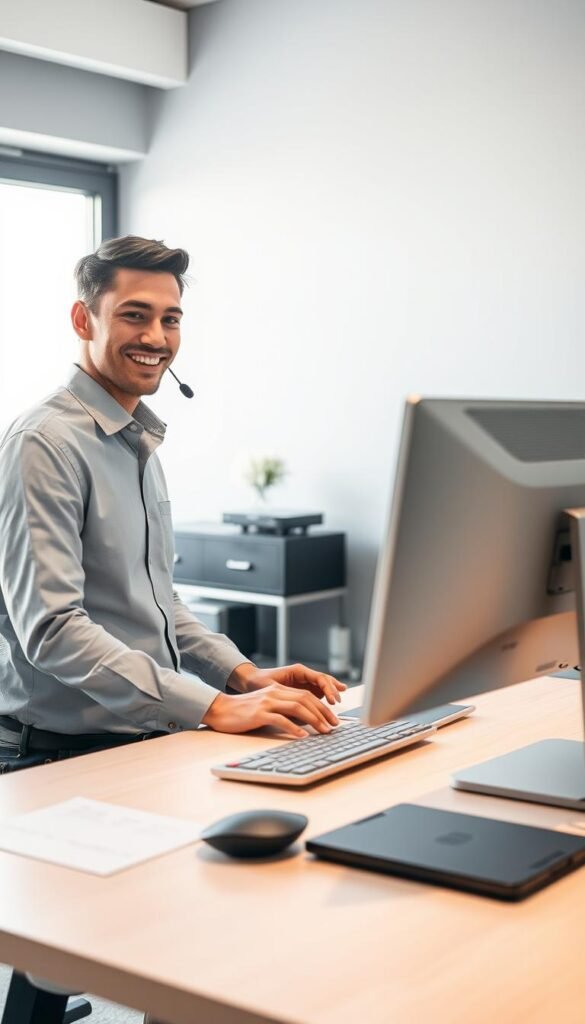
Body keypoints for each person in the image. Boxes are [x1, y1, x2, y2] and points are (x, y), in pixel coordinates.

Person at [0, 235, 346, 772]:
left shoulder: (136, 441)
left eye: (171, 319)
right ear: (82, 319)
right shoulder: (44, 443)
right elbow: (53, 631)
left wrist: (242, 675)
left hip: (139, 743)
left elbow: (158, 603)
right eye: (135, 315)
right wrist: (211, 706)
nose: (156, 337)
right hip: (54, 758)